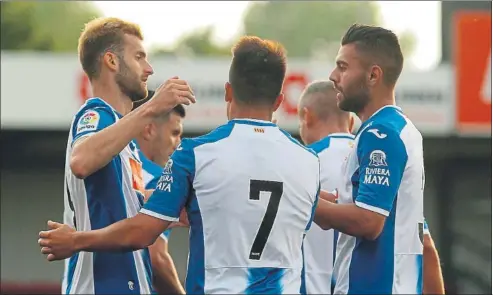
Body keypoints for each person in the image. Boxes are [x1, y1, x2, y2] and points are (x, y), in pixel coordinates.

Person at [39, 36, 320, 294]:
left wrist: (77, 241)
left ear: (228, 92)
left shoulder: (194, 153)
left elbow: (142, 232)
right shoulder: (309, 162)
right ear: (280, 101)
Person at [59, 17, 195, 294]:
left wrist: (169, 206)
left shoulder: (127, 142)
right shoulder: (96, 114)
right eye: (139, 57)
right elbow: (81, 161)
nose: (149, 68)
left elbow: (125, 204)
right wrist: (152, 107)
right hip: (99, 286)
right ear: (112, 61)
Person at [312, 24, 425, 294]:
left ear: (373, 75)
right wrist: (324, 200)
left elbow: (368, 221)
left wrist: (299, 201)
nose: (333, 76)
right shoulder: (396, 127)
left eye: (342, 67)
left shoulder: (380, 133)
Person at [297, 80, 354, 295]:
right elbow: (425, 246)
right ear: (351, 122)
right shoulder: (378, 159)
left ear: (307, 116)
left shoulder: (298, 163)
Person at [133, 93, 186, 294]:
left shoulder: (114, 165)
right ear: (149, 129)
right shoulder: (158, 179)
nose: (179, 143)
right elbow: (156, 258)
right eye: (174, 133)